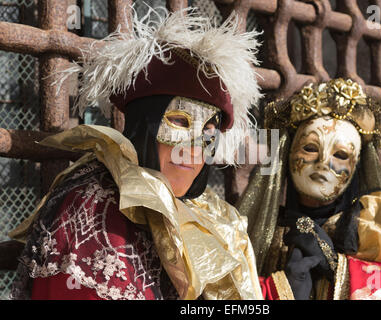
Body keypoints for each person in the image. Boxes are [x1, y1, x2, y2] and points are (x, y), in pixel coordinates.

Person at [8, 6, 263, 300]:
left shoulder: (212, 214)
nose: (194, 149)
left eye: (208, 132)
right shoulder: (93, 206)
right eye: (180, 121)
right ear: (145, 123)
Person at [238, 78, 381, 300]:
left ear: (357, 164)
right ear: (288, 152)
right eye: (310, 148)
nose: (323, 163)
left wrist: (340, 270)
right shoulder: (257, 230)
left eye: (340, 155)